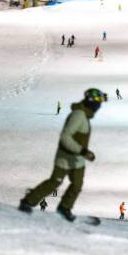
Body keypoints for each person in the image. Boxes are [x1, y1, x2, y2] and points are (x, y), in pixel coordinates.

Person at [19, 88, 106, 222]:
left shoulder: (85, 115)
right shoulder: (78, 115)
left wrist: (84, 153)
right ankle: (28, 202)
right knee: (54, 182)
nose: (99, 106)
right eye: (98, 103)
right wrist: (83, 151)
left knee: (76, 185)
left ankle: (64, 208)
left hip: (78, 161)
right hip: (65, 158)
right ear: (92, 102)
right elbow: (65, 137)